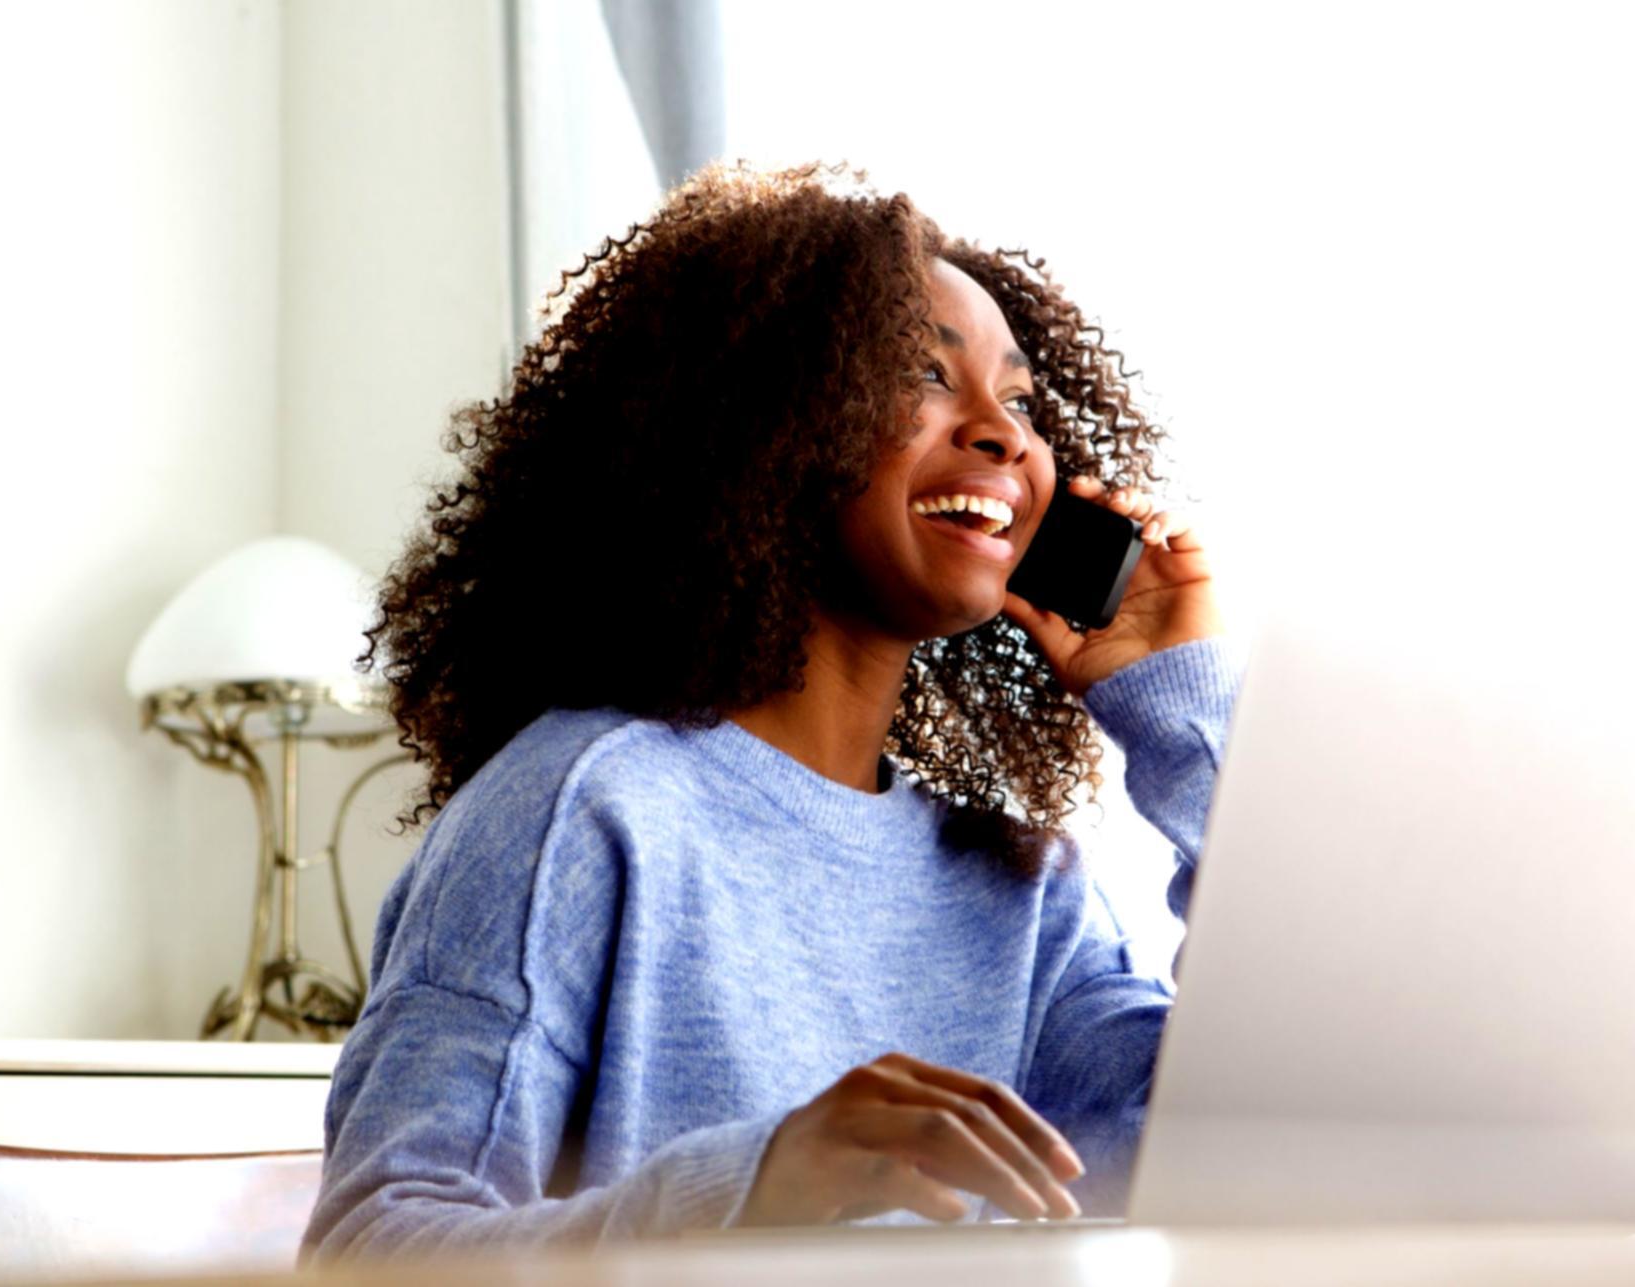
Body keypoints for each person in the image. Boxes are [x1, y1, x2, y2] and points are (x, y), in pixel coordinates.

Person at [299, 159, 1243, 1260]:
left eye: (1022, 401)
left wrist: (1181, 715)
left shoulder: (1020, 888)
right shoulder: (587, 806)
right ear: (758, 427)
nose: (1003, 433)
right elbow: (371, 1248)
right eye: (920, 375)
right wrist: (753, 1187)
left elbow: (1258, 1150)